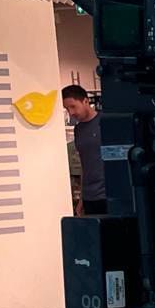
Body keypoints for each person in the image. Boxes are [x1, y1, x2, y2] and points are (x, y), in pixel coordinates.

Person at [62, 84, 105, 216]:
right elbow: (83, 164)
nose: (71, 112)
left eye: (73, 106)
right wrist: (81, 198)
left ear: (85, 101)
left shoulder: (105, 122)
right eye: (67, 108)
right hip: (89, 196)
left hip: (109, 194)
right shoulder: (78, 129)